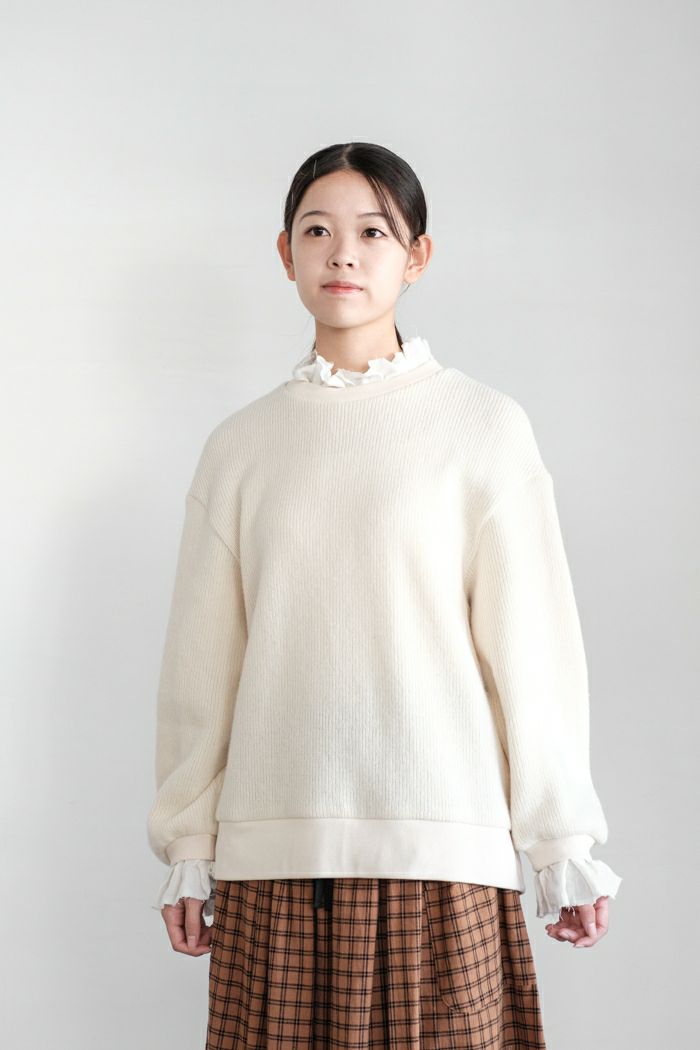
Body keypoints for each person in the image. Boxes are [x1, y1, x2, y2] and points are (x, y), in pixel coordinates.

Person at [146, 142, 623, 1048]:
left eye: (373, 232)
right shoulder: (241, 446)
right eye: (316, 231)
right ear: (285, 253)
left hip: (441, 854)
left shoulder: (483, 429)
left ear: (417, 256)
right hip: (275, 857)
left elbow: (532, 648)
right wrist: (189, 846)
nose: (343, 254)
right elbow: (202, 670)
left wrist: (562, 843)